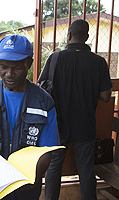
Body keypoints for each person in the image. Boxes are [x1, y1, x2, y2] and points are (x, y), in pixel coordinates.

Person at [0, 35, 60, 200]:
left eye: (17, 68)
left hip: (24, 186)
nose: (9, 74)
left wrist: (32, 179)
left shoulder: (44, 103)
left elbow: (45, 152)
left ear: (29, 63)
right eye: (3, 66)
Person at [38, 19, 113, 200]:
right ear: (87, 38)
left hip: (58, 125)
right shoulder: (99, 62)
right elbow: (105, 96)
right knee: (86, 169)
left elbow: (40, 89)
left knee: (54, 168)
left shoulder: (55, 58)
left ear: (69, 35)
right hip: (85, 125)